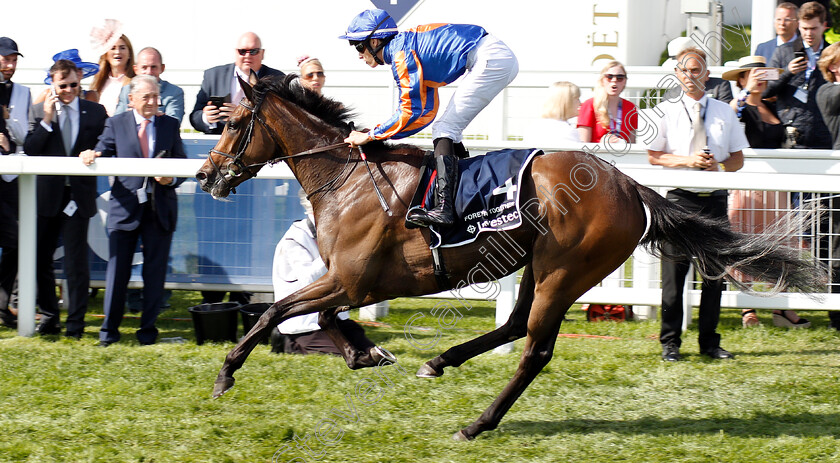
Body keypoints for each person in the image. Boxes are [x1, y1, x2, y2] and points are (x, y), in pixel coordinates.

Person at [340, 9, 519, 227]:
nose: (359, 54)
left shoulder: (401, 55)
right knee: (446, 127)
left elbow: (410, 113)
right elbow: (425, 112)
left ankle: (444, 208)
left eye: (359, 46)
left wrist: (370, 136)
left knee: (445, 129)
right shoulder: (404, 48)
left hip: (490, 58)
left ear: (375, 41)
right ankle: (461, 194)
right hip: (494, 56)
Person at [647, 47, 748, 361]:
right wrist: (687, 161)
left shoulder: (724, 112)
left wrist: (718, 166)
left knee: (714, 277)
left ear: (707, 74)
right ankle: (670, 344)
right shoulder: (664, 110)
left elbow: (738, 158)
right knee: (674, 278)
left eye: (696, 70)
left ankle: (709, 343)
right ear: (677, 74)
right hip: (678, 200)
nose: (691, 76)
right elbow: (654, 155)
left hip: (715, 202)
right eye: (685, 71)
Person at [80, 75, 186, 346]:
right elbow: (102, 150)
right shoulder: (116, 123)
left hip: (159, 210)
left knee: (155, 275)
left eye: (155, 96)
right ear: (131, 100)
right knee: (117, 274)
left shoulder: (170, 125)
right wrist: (90, 154)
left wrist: (170, 179)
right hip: (124, 209)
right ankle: (108, 334)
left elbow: (182, 165)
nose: (152, 102)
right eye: (146, 97)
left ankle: (148, 334)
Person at [722, 56, 810, 328]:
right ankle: (748, 307)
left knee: (781, 244)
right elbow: (733, 112)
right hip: (749, 187)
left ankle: (781, 308)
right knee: (747, 243)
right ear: (741, 79)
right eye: (752, 73)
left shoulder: (773, 105)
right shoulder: (738, 106)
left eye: (763, 73)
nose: (759, 77)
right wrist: (747, 91)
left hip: (777, 189)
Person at [24, 60, 108, 338]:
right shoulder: (38, 111)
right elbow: (32, 150)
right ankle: (49, 317)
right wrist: (47, 120)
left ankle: (75, 325)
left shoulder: (95, 112)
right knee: (40, 259)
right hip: (48, 198)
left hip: (79, 197)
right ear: (52, 84)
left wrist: (95, 151)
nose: (69, 90)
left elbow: (107, 142)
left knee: (76, 263)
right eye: (63, 85)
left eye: (74, 84)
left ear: (80, 80)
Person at [270, 191, 379, 356]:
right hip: (305, 324)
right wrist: (336, 252)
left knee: (371, 352)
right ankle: (289, 344)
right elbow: (308, 279)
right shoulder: (294, 240)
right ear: (315, 211)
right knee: (344, 356)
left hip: (333, 318)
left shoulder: (331, 233)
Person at [764, 1, 832, 150]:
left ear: (824, 26)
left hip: (824, 132)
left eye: (813, 28)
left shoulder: (832, 54)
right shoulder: (783, 52)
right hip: (791, 132)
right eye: (804, 28)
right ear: (798, 25)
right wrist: (787, 72)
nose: (808, 34)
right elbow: (766, 90)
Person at [189, 32, 284, 135]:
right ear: (236, 52)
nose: (247, 56)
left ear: (262, 53)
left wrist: (241, 116)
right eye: (242, 51)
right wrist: (206, 118)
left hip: (261, 142)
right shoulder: (213, 76)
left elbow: (282, 119)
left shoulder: (277, 79)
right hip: (221, 142)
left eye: (253, 51)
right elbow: (195, 118)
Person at [0, 36, 29, 329]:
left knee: (15, 243)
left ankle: (1, 304)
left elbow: (23, 136)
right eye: (5, 59)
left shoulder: (23, 93)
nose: (9, 66)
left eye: (13, 60)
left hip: (9, 178)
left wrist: (9, 120)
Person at [815, 41, 840, 331]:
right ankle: (836, 313)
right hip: (836, 179)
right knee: (837, 248)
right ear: (832, 66)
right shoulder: (826, 91)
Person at [115, 47, 185, 122]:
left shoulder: (174, 92)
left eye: (153, 67)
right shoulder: (127, 91)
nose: (149, 72)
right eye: (144, 67)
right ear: (136, 69)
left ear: (162, 68)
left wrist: (149, 113)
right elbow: (116, 121)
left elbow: (174, 123)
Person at [577, 61, 637, 144]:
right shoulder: (589, 105)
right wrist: (601, 145)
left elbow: (632, 143)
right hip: (595, 156)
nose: (614, 80)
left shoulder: (630, 107)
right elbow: (582, 145)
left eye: (620, 77)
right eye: (609, 77)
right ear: (602, 80)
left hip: (622, 155)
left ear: (625, 82)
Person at [662, 37, 733, 103]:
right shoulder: (670, 96)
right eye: (683, 70)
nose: (689, 75)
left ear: (706, 73)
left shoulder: (720, 86)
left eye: (694, 70)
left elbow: (725, 112)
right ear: (677, 72)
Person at [89, 19, 136, 116]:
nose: (117, 52)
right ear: (105, 54)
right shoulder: (98, 82)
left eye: (122, 48)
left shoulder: (135, 82)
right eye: (113, 48)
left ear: (129, 53)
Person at [524, 81, 581, 146]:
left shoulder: (533, 127)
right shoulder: (567, 131)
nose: (580, 103)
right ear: (567, 102)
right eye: (577, 99)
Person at [33, 49, 100, 104]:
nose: (78, 73)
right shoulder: (48, 94)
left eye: (79, 69)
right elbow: (32, 115)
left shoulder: (90, 95)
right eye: (67, 72)